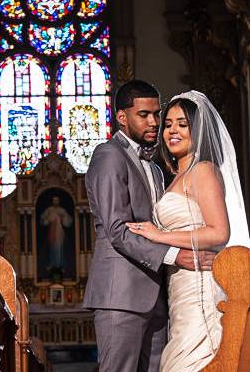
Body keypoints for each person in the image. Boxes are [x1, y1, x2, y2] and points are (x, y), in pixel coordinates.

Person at [83, 81, 216, 372]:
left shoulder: (156, 168)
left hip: (159, 296)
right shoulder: (108, 155)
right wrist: (175, 256)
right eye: (144, 115)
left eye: (157, 114)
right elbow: (117, 229)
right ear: (122, 117)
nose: (154, 122)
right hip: (121, 296)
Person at [126, 90, 250, 371]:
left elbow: (219, 232)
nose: (172, 131)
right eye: (168, 124)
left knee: (195, 360)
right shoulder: (173, 177)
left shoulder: (203, 170)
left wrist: (159, 236)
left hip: (201, 284)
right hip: (179, 285)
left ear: (197, 129)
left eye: (182, 125)